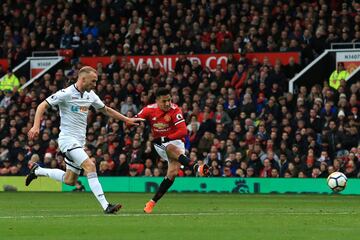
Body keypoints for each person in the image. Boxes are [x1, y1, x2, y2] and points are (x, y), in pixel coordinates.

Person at [26, 66, 144, 214]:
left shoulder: (91, 95)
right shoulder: (66, 93)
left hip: (79, 142)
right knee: (90, 166)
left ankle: (38, 170)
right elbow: (42, 105)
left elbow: (105, 109)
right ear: (83, 79)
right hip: (67, 140)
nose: (95, 84)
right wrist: (36, 126)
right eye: (93, 81)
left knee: (70, 180)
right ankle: (106, 205)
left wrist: (126, 119)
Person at [136, 87, 210, 214]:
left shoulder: (175, 110)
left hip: (175, 141)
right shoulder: (149, 110)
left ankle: (151, 203)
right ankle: (196, 167)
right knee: (169, 148)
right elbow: (135, 119)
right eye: (164, 101)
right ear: (157, 101)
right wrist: (130, 122)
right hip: (160, 143)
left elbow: (183, 131)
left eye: (169, 100)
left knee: (173, 173)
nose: (167, 104)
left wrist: (166, 138)